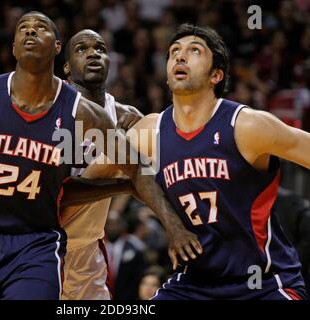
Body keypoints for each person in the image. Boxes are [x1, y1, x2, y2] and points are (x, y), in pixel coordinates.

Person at [0, 12, 201, 300]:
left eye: (101, 49)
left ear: (55, 47)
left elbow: (144, 171)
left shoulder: (105, 117)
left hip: (46, 240)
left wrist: (175, 225)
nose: (31, 33)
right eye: (23, 29)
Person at [83, 24, 310, 300]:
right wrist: (133, 188)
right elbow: (86, 180)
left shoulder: (247, 125)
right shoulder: (149, 132)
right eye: (174, 51)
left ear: (217, 75)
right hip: (193, 285)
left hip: (262, 284)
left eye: (194, 51)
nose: (180, 56)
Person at [59, 29, 143, 300]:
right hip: (42, 244)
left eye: (101, 48)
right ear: (67, 69)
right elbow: (63, 193)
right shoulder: (51, 112)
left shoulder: (127, 117)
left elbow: (149, 180)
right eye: (82, 49)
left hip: (87, 248)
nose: (94, 53)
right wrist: (125, 185)